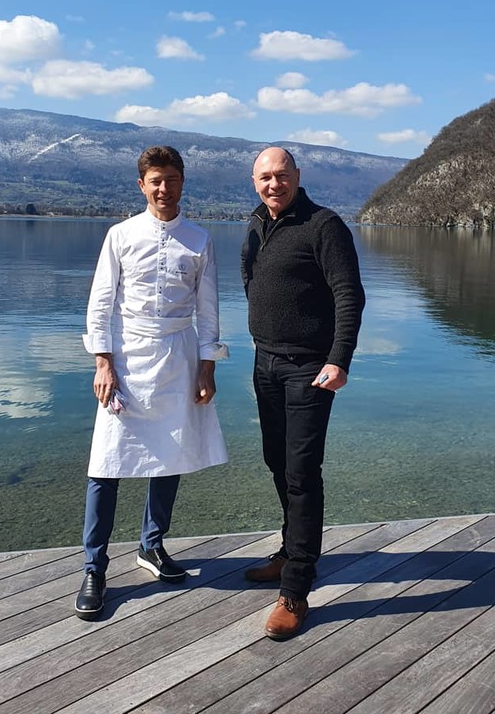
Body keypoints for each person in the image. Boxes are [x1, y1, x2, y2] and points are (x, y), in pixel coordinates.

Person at [75, 145, 228, 621]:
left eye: (172, 179)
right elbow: (101, 302)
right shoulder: (120, 236)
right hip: (126, 358)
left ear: (183, 183)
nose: (164, 188)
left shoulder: (199, 240)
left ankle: (151, 546)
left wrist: (208, 366)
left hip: (178, 357)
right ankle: (94, 567)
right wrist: (103, 362)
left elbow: (208, 311)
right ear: (142, 186)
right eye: (155, 180)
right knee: (106, 463)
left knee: (170, 453)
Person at [241, 146, 365, 640]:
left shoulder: (324, 225)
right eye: (265, 177)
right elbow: (251, 278)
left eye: (282, 175)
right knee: (277, 461)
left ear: (298, 176)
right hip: (264, 362)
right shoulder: (256, 222)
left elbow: (349, 293)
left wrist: (338, 359)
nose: (274, 184)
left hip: (310, 368)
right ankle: (292, 551)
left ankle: (295, 589)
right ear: (255, 182)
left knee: (301, 471)